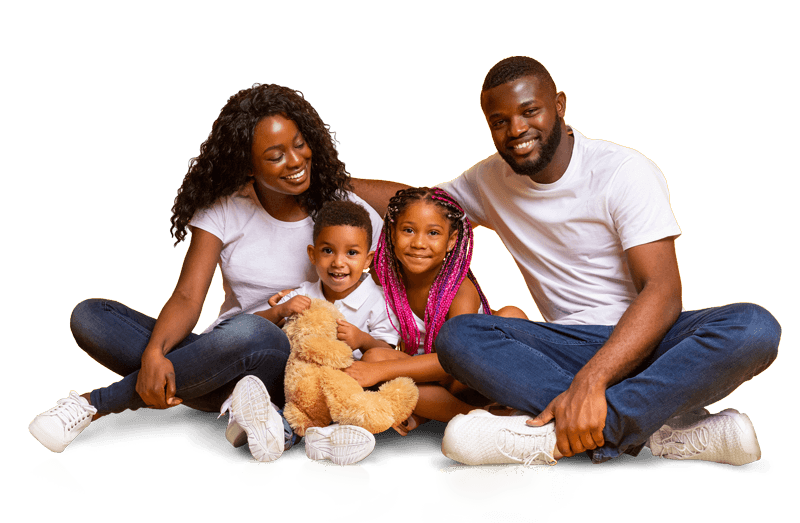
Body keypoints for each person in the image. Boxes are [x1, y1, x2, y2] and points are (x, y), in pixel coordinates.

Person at [349, 56, 781, 467]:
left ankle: (560, 432)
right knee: (459, 336)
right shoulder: (490, 179)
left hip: (651, 340)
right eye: (499, 122)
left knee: (753, 327)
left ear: (559, 105)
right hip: (562, 349)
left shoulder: (623, 171)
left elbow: (663, 293)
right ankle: (652, 429)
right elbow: (421, 205)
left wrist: (593, 382)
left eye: (529, 111)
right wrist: (329, 183)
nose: (516, 130)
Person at [29, 84, 381, 464]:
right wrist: (154, 355)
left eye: (299, 144)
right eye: (276, 156)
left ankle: (93, 403)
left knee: (254, 330)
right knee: (90, 316)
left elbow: (400, 242)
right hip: (224, 351)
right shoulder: (225, 209)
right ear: (248, 165)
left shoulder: (340, 209)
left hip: (287, 363)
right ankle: (221, 396)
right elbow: (188, 296)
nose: (296, 161)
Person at [343, 187, 527, 436]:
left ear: (451, 241)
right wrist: (295, 296)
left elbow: (461, 360)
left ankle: (488, 414)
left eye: (433, 233)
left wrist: (379, 371)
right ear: (392, 233)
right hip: (430, 380)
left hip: (476, 379)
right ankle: (472, 417)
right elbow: (339, 290)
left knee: (511, 315)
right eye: (408, 230)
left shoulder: (460, 290)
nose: (419, 243)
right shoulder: (381, 275)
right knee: (374, 357)